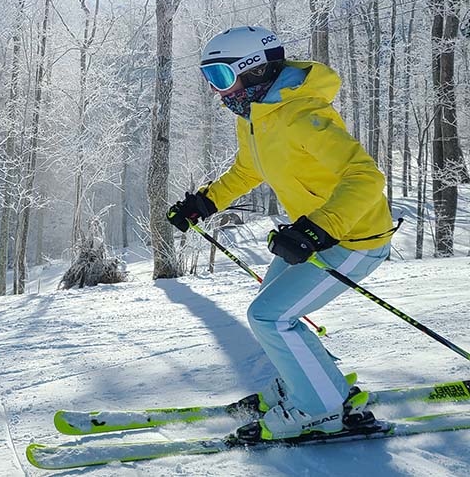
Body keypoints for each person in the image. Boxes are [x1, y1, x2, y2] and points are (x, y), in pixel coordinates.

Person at [166, 25, 395, 441]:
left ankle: (319, 409)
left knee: (270, 316)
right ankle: (314, 385)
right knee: (271, 311)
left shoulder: (304, 115)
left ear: (253, 69)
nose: (219, 92)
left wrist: (318, 229)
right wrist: (205, 201)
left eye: (221, 77)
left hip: (354, 238)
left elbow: (365, 175)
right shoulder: (257, 116)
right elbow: (249, 168)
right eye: (210, 80)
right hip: (318, 234)